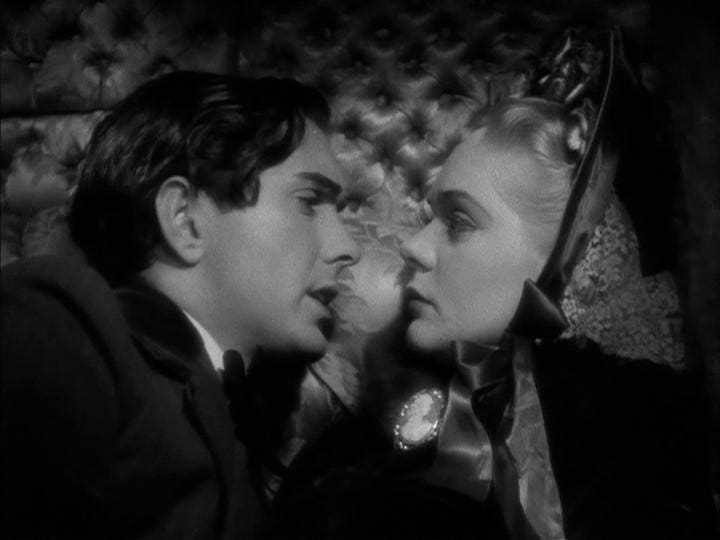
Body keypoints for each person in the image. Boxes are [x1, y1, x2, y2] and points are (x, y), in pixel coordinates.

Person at [263, 30, 716, 539]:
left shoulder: (639, 436)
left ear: (566, 258)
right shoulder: (366, 436)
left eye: (458, 222)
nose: (414, 247)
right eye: (429, 219)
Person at [1, 71, 360, 539]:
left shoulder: (242, 428)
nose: (349, 247)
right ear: (184, 219)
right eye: (309, 202)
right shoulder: (69, 326)